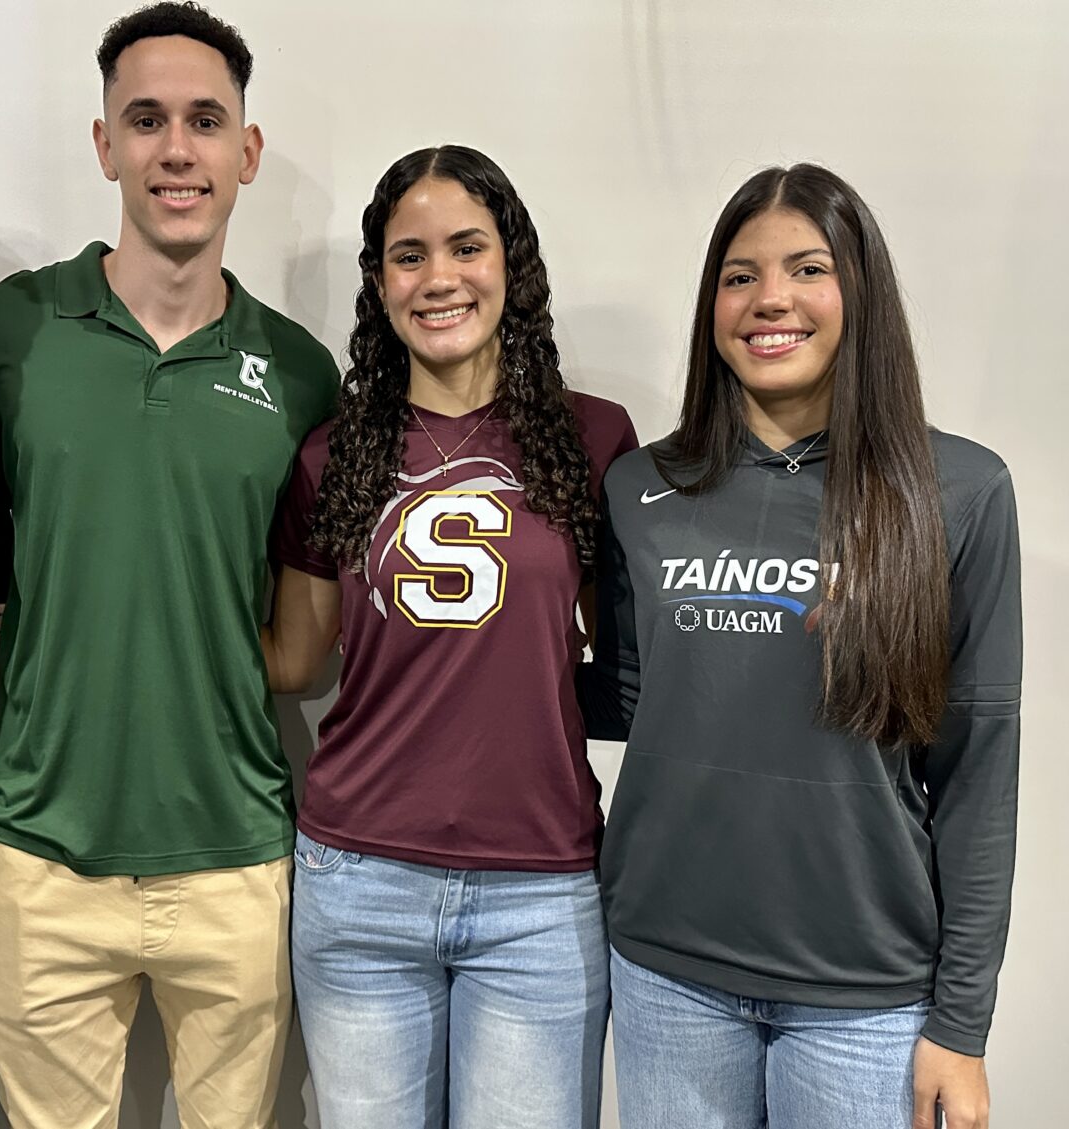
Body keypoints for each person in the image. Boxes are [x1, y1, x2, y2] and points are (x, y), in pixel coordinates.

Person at [0, 4, 338, 1125]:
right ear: (105, 142)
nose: (178, 149)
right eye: (148, 119)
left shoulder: (301, 371)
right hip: (40, 853)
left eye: (206, 121)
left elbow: (301, 638)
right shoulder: (8, 330)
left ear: (246, 152)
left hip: (235, 855)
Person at [581, 163, 1019, 1129]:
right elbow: (627, 695)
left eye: (806, 268)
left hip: (864, 997)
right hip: (665, 971)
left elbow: (980, 767)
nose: (770, 298)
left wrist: (963, 1024)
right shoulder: (642, 486)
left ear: (857, 290)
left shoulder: (959, 491)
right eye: (739, 276)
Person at [266, 145, 636, 1129]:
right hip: (359, 883)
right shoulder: (331, 452)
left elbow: (627, 665)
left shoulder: (594, 438)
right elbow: (295, 662)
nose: (439, 278)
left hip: (541, 892)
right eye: (408, 255)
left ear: (512, 264)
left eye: (466, 247)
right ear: (378, 282)